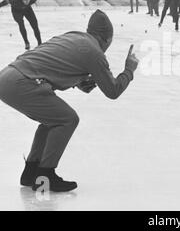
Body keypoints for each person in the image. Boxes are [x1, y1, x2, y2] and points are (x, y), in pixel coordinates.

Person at [0, 10, 139, 192]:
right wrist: (129, 69)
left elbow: (54, 63)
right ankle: (45, 175)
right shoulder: (94, 51)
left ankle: (31, 171)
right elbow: (113, 91)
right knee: (67, 119)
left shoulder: (73, 36)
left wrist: (79, 82)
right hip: (23, 82)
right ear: (107, 39)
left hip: (8, 77)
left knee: (51, 120)